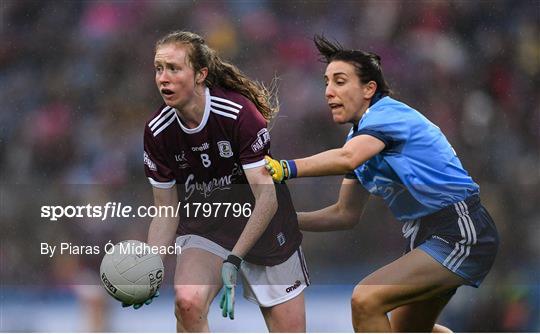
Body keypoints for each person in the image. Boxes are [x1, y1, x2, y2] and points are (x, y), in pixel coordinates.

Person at [265, 35, 499, 332]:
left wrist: (285, 168)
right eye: (326, 82)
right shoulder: (361, 138)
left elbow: (347, 159)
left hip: (460, 229)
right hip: (426, 235)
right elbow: (344, 213)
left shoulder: (386, 114)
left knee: (366, 299)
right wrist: (288, 220)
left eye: (339, 81)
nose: (328, 92)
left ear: (369, 89)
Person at [130, 31, 309, 332]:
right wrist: (151, 269)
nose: (163, 78)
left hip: (265, 227)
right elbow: (165, 210)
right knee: (187, 302)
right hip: (208, 229)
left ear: (201, 74)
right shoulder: (157, 131)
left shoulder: (238, 114)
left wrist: (234, 259)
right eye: (159, 68)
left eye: (174, 68)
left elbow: (267, 199)